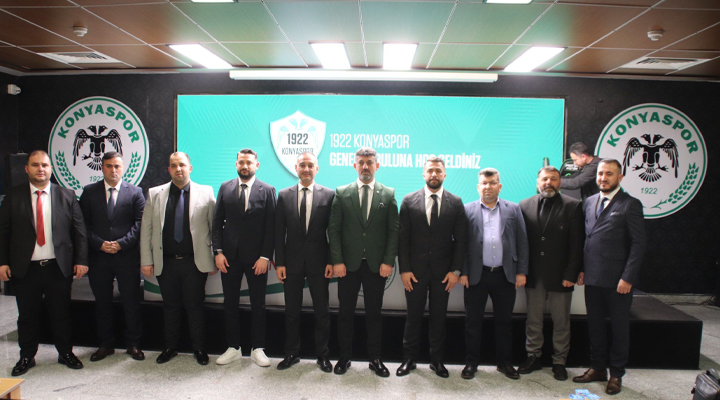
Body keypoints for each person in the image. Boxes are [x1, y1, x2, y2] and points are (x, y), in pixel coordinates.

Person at [0, 150, 89, 376]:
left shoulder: (67, 195)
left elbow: (79, 231)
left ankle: (65, 353)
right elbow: (3, 232)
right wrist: (2, 262)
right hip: (25, 269)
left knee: (61, 314)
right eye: (35, 165)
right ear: (26, 168)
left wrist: (81, 260)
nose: (40, 169)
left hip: (57, 268)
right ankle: (27, 356)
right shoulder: (14, 196)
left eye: (45, 165)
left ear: (51, 169)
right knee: (26, 316)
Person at [573, 158, 646, 395]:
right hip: (592, 278)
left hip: (618, 282)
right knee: (595, 327)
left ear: (620, 177)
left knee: (619, 329)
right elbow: (587, 239)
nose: (603, 178)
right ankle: (597, 368)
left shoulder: (630, 204)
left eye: (609, 174)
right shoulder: (589, 201)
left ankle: (616, 374)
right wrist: (582, 268)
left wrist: (628, 278)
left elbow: (638, 244)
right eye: (600, 174)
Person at [140, 152, 216, 365]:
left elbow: (214, 228)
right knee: (170, 307)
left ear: (190, 168)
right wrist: (146, 260)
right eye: (173, 166)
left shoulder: (206, 192)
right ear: (169, 170)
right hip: (166, 262)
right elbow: (146, 229)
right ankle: (170, 347)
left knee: (195, 307)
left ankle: (199, 349)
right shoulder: (155, 194)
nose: (178, 169)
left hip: (194, 262)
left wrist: (214, 258)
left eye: (182, 165)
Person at [328, 147, 399, 377]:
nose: (365, 166)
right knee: (345, 314)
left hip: (376, 266)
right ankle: (344, 357)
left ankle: (375, 359)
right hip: (347, 266)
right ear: (354, 165)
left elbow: (393, 231)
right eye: (361, 162)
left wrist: (388, 261)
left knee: (374, 315)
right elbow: (334, 229)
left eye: (370, 162)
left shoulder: (388, 194)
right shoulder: (342, 193)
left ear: (377, 165)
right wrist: (337, 260)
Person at [396, 157, 467, 378]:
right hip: (414, 272)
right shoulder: (409, 200)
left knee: (438, 318)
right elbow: (403, 239)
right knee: (413, 317)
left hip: (443, 274)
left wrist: (455, 271)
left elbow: (461, 240)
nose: (434, 174)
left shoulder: (456, 202)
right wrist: (404, 269)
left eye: (438, 170)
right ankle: (409, 359)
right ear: (423, 174)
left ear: (444, 174)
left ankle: (437, 361)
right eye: (430, 171)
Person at [460, 167, 529, 380]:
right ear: (478, 187)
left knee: (504, 323)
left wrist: (521, 272)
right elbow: (461, 244)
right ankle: (471, 363)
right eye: (484, 183)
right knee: (473, 322)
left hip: (505, 275)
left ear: (499, 186)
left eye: (492, 183)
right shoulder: (467, 209)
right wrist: (463, 272)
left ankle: (504, 363)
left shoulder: (513, 209)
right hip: (476, 275)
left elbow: (522, 242)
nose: (488, 187)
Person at [518, 166, 584, 381]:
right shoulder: (524, 205)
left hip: (561, 276)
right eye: (545, 179)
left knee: (561, 322)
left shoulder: (573, 206)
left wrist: (571, 274)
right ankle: (533, 356)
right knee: (533, 320)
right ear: (538, 182)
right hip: (533, 275)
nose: (549, 183)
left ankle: (559, 361)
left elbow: (577, 244)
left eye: (553, 179)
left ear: (560, 182)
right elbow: (521, 242)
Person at [80, 151, 146, 362]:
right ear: (102, 168)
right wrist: (100, 243)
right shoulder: (89, 192)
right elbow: (83, 224)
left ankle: (133, 344)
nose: (113, 170)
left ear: (123, 168)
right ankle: (106, 344)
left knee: (131, 303)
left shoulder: (135, 192)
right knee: (103, 303)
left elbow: (140, 224)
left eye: (117, 166)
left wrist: (121, 244)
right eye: (109, 166)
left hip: (126, 257)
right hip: (99, 257)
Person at [212, 148, 276, 367]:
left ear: (256, 165)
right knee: (230, 303)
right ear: (236, 164)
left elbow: (271, 227)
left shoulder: (268, 190)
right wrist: (218, 252)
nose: (245, 166)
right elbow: (217, 223)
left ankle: (258, 348)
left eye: (249, 162)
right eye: (241, 162)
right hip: (229, 258)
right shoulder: (225, 187)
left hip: (257, 259)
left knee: (258, 304)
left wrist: (265, 256)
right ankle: (234, 348)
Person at [274, 152, 334, 372]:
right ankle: (291, 353)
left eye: (310, 165)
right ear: (296, 168)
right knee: (291, 311)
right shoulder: (284, 195)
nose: (306, 169)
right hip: (291, 263)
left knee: (322, 311)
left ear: (317, 168)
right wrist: (280, 263)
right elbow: (279, 232)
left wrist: (331, 261)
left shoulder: (329, 195)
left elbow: (333, 232)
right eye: (302, 165)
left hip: (320, 263)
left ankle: (323, 355)